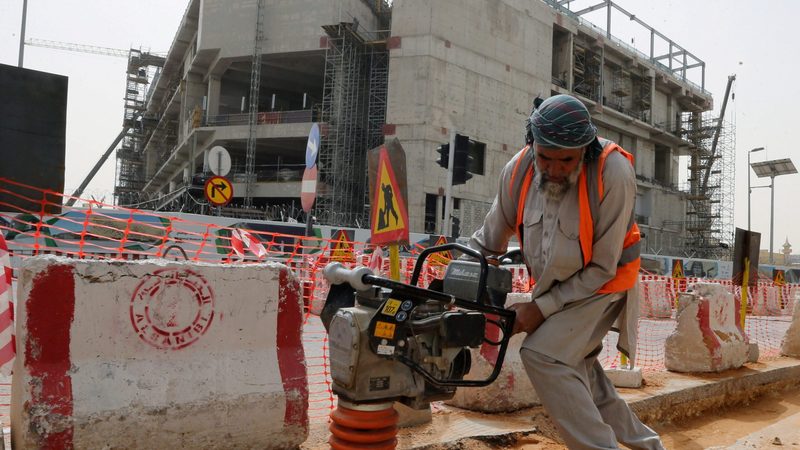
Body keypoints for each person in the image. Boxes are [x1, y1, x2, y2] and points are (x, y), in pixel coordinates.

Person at [469, 94, 664, 449]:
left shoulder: (613, 173)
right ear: (532, 146)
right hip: (555, 290)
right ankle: (649, 446)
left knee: (542, 355)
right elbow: (488, 243)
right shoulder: (517, 172)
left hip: (602, 286)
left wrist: (539, 309)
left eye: (566, 160)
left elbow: (603, 266)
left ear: (585, 151)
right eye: (545, 157)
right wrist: (464, 283)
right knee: (582, 375)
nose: (555, 169)